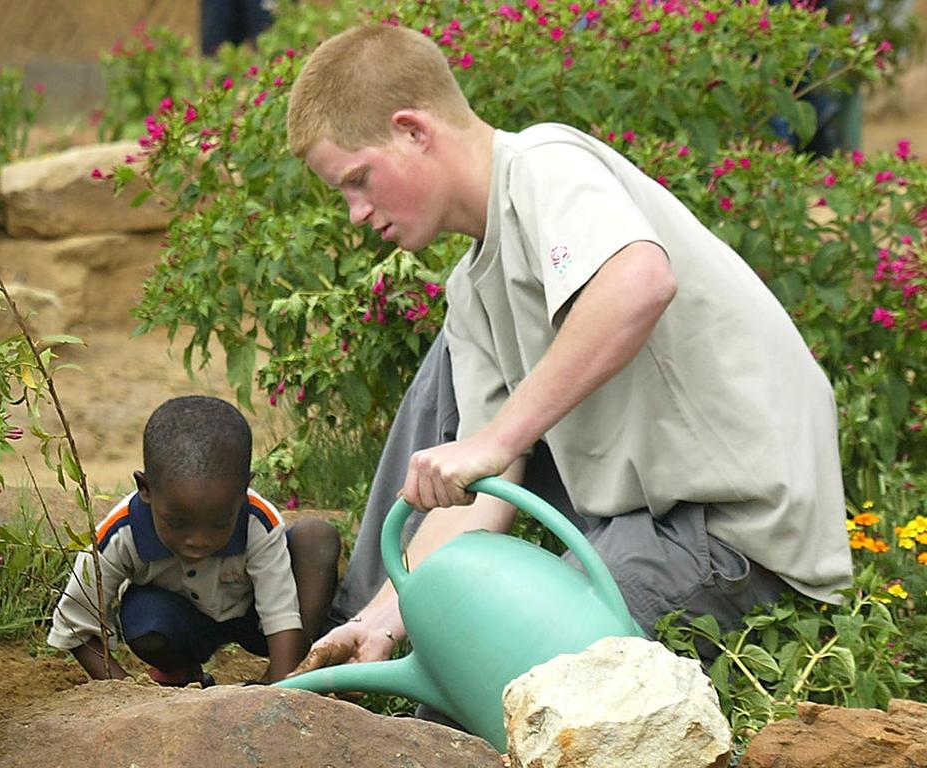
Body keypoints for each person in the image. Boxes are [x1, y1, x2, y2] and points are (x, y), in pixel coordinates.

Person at [284, 23, 853, 677]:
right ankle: (356, 614)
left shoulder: (543, 165)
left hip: (737, 539)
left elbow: (641, 281)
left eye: (360, 180)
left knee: (507, 680)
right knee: (457, 665)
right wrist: (385, 615)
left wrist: (497, 437)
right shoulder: (472, 290)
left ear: (414, 130)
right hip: (644, 528)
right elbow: (484, 494)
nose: (356, 211)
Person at [47, 395, 340, 686]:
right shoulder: (120, 533)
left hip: (254, 619)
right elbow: (75, 624)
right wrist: (126, 692)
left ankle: (292, 674)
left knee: (317, 539)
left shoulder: (257, 521)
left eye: (220, 523)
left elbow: (281, 615)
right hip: (179, 624)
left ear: (244, 490)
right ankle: (180, 673)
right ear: (145, 489)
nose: (198, 540)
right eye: (177, 523)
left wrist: (277, 693)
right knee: (145, 619)